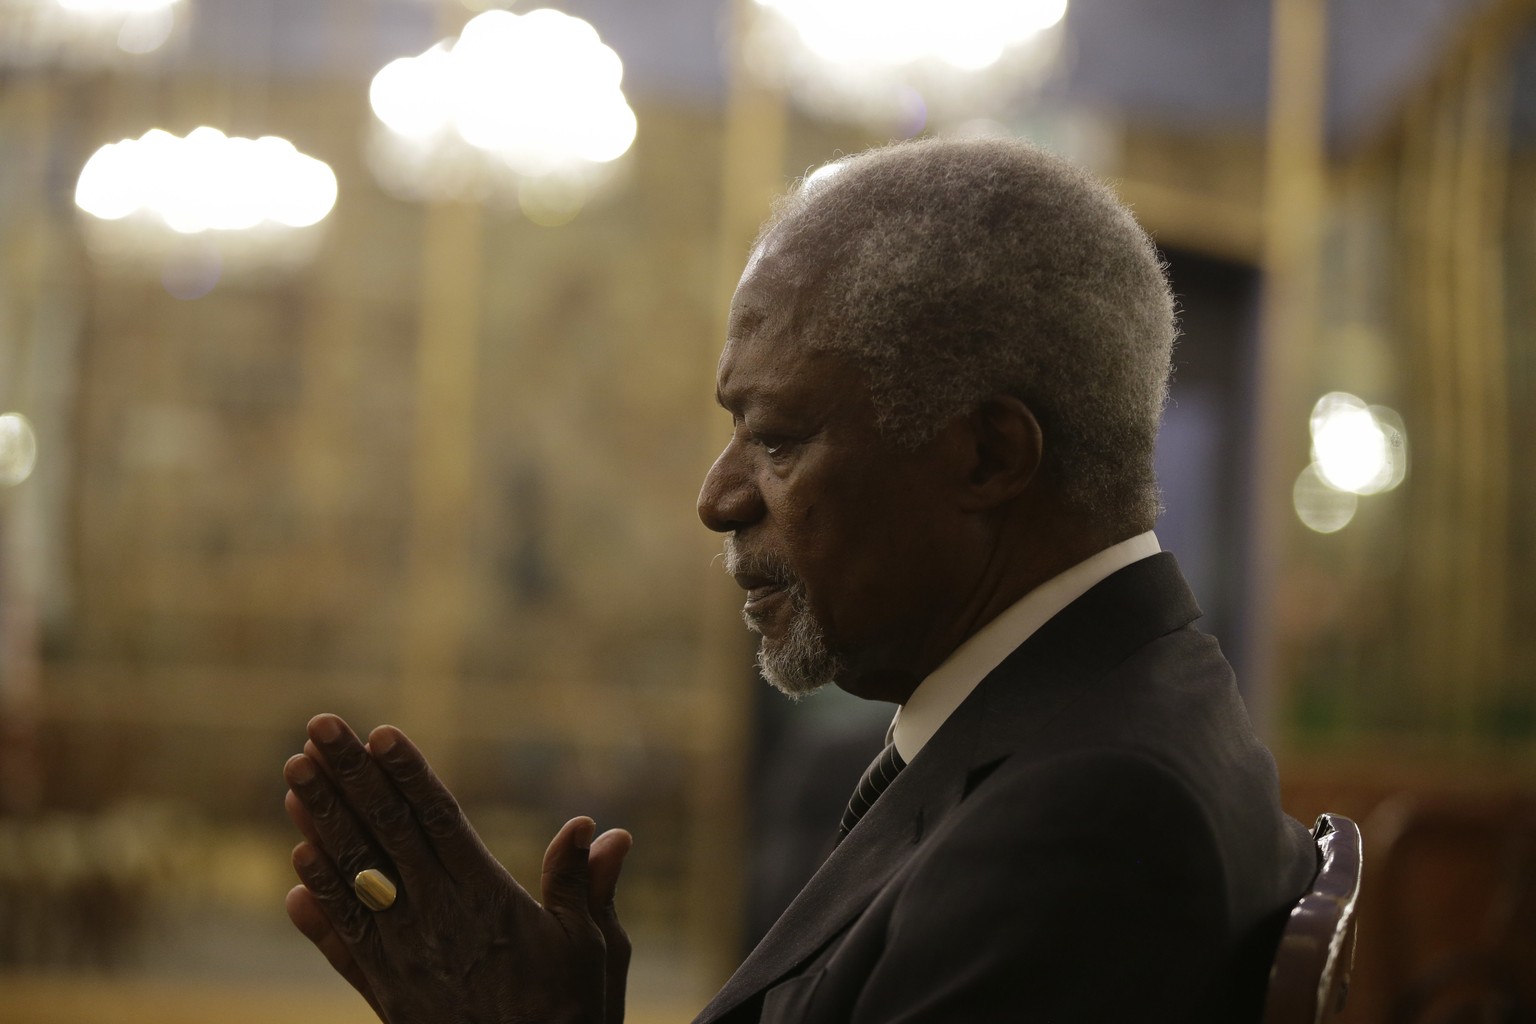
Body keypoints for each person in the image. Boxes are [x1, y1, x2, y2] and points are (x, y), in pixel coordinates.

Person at [282, 136, 1317, 1023]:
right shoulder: (1102, 709)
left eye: (778, 439)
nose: (719, 496)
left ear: (989, 456)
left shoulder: (1089, 822)